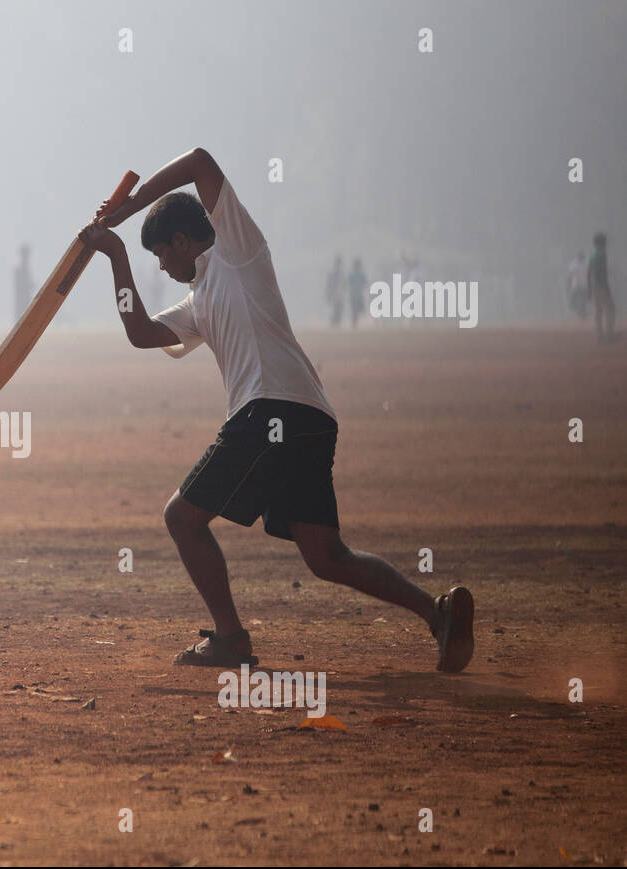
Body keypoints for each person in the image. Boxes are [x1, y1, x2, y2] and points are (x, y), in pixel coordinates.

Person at [78, 145, 474, 673]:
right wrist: (118, 256)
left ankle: (231, 639)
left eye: (159, 255)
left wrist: (125, 211)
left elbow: (199, 161)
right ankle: (436, 613)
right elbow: (141, 333)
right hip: (311, 416)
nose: (162, 266)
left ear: (180, 240)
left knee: (182, 518)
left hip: (269, 413)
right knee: (325, 556)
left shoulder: (237, 250)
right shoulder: (199, 299)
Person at [588, 233, 616, 343]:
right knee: (610, 309)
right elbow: (602, 273)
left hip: (595, 286)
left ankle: (599, 336)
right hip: (602, 285)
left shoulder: (593, 254)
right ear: (603, 242)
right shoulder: (602, 254)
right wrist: (607, 287)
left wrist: (590, 287)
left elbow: (589, 271)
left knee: (598, 311)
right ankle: (609, 334)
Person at [566, 251, 589, 320]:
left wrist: (568, 284)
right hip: (577, 285)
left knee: (583, 300)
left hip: (583, 285)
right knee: (575, 300)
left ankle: (582, 313)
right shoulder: (574, 264)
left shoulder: (585, 263)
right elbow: (570, 275)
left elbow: (570, 275)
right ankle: (580, 312)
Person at [13, 243, 33, 322]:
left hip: (25, 298)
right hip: (21, 299)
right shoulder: (19, 269)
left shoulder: (25, 268)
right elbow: (18, 286)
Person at [347, 256, 368, 327]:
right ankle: (354, 323)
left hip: (359, 295)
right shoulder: (352, 274)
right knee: (354, 310)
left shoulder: (361, 274)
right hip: (353, 295)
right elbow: (348, 283)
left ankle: (355, 321)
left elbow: (365, 283)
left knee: (359, 309)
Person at [325, 255, 343, 327]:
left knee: (339, 309)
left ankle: (337, 323)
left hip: (340, 294)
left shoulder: (341, 273)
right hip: (334, 294)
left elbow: (344, 284)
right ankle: (334, 323)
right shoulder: (332, 273)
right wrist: (328, 294)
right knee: (335, 309)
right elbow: (329, 285)